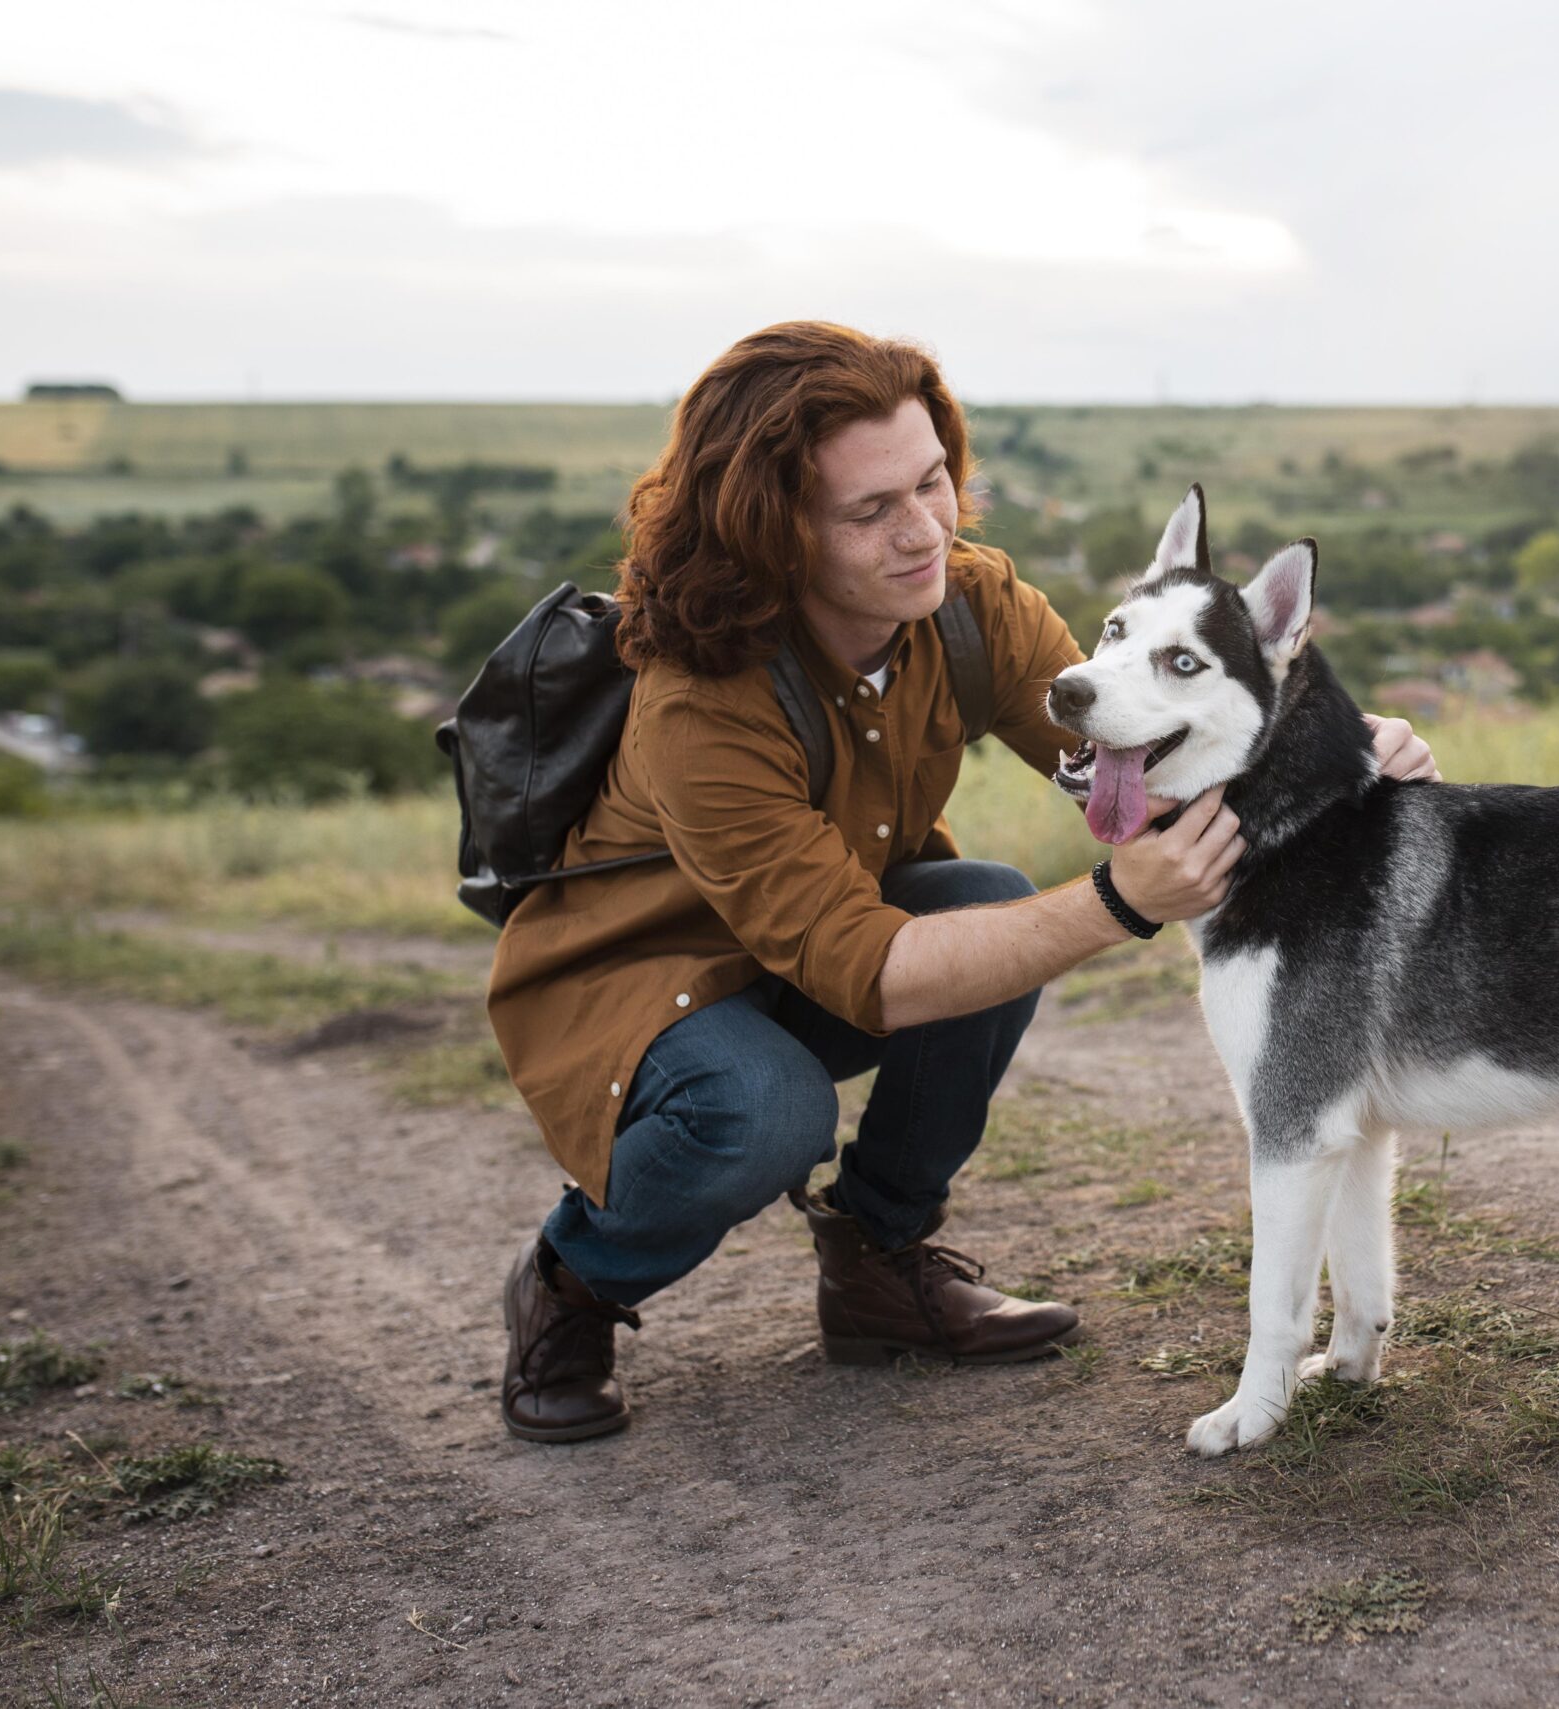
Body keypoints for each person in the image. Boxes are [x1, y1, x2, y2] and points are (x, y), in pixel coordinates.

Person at [488, 320, 1440, 1442]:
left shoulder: (968, 605)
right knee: (763, 1110)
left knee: (983, 896)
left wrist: (1336, 752)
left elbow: (1145, 745)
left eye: (932, 480)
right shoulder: (703, 701)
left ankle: (877, 1265)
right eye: (870, 510)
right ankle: (571, 1285)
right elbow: (877, 971)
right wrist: (1116, 901)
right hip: (642, 984)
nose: (926, 529)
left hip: (814, 953)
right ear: (773, 531)